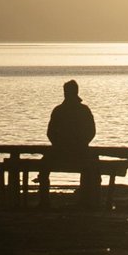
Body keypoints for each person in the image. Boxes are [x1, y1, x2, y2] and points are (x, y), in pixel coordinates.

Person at [39, 79, 100, 207]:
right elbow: (91, 131)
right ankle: (87, 199)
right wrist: (82, 143)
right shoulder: (84, 110)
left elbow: (50, 133)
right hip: (81, 153)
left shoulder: (58, 110)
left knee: (43, 165)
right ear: (76, 92)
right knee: (93, 163)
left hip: (59, 153)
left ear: (65, 93)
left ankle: (44, 200)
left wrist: (58, 145)